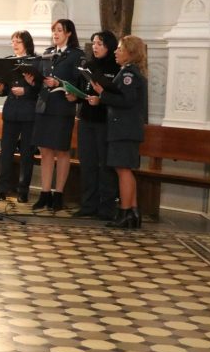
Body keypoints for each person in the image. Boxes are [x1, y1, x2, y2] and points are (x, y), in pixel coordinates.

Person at [87, 35, 148, 229]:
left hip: (124, 129)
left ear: (130, 53)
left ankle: (124, 212)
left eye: (120, 49)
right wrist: (102, 96)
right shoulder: (128, 71)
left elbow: (127, 101)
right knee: (125, 170)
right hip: (124, 128)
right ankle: (133, 212)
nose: (116, 51)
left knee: (123, 171)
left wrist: (103, 95)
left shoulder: (129, 74)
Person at [32, 19, 85, 212]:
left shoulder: (76, 55)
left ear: (69, 33)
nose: (56, 33)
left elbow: (80, 82)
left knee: (62, 151)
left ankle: (58, 194)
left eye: (60, 30)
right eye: (54, 30)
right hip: (45, 106)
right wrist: (33, 79)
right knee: (45, 150)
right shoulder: (47, 54)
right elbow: (39, 79)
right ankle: (45, 192)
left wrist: (60, 84)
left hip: (62, 107)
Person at [71, 30, 119, 219]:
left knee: (105, 165)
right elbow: (83, 90)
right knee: (88, 163)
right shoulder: (88, 66)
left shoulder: (115, 67)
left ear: (109, 46)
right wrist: (75, 95)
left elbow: (117, 95)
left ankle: (106, 207)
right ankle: (88, 204)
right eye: (94, 43)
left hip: (105, 121)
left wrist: (101, 100)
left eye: (100, 43)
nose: (95, 47)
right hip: (86, 119)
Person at [0, 31, 38, 204]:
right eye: (13, 41)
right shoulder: (9, 61)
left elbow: (40, 87)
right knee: (6, 152)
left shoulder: (35, 60)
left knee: (27, 153)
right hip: (11, 111)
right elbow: (4, 90)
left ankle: (23, 190)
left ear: (26, 43)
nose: (15, 44)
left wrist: (26, 90)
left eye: (18, 41)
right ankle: (1, 189)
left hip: (28, 112)